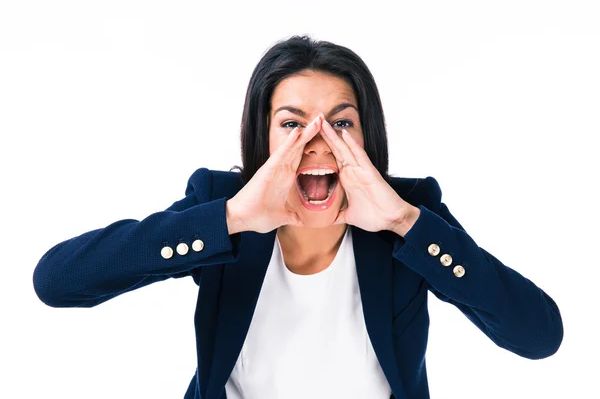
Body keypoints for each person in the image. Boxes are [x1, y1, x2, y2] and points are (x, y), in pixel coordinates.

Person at [33, 35, 563, 399]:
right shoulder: (221, 202)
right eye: (291, 124)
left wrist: (405, 223)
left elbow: (539, 336)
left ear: (367, 135)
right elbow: (57, 281)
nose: (317, 142)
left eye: (341, 123)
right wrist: (230, 219)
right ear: (262, 137)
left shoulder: (410, 213)